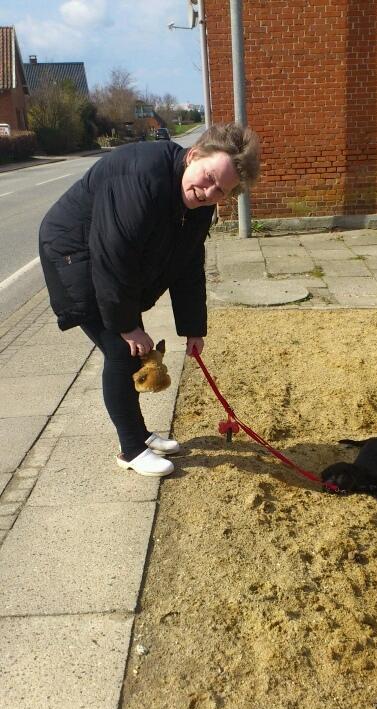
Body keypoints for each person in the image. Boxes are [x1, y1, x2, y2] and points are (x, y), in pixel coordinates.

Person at [39, 123, 260, 476]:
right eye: (207, 177)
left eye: (222, 190)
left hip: (109, 260)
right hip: (72, 252)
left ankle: (139, 435)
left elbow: (188, 263)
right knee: (120, 350)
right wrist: (127, 326)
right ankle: (130, 450)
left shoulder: (199, 205)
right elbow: (114, 254)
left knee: (133, 351)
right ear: (193, 156)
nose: (208, 191)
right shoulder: (142, 176)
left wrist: (192, 329)